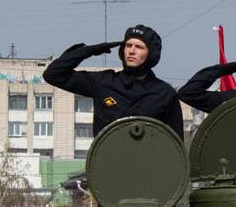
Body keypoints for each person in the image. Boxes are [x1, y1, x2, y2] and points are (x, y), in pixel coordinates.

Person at [43, 24, 183, 139]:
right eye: (128, 45)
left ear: (151, 54)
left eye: (139, 47)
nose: (131, 51)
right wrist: (86, 51)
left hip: (148, 169)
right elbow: (53, 74)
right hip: (106, 167)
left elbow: (176, 144)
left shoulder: (165, 94)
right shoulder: (104, 82)